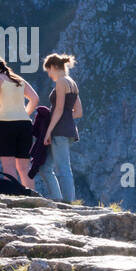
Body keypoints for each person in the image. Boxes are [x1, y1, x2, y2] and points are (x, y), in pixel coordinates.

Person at [0, 54, 38, 188]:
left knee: (9, 166)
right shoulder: (18, 79)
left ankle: (13, 195)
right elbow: (35, 98)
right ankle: (31, 198)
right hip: (25, 124)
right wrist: (24, 114)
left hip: (6, 124)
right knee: (24, 168)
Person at [40, 53, 82, 202]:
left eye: (48, 71)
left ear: (53, 67)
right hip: (69, 130)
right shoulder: (72, 83)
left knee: (63, 168)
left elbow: (58, 109)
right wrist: (65, 115)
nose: (49, 75)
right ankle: (58, 200)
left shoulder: (61, 83)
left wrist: (48, 131)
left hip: (59, 131)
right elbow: (78, 112)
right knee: (45, 167)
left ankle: (68, 203)